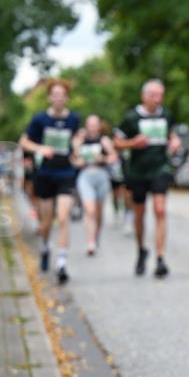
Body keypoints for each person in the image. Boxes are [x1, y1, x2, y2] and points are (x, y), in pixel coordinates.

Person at [113, 79, 182, 277]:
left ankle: (160, 258)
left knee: (160, 210)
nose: (157, 99)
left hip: (160, 168)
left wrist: (175, 141)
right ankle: (141, 250)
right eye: (153, 95)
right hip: (137, 172)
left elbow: (172, 135)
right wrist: (132, 143)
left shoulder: (166, 115)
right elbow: (116, 142)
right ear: (144, 96)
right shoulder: (132, 117)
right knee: (140, 214)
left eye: (160, 95)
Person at [19, 80, 81, 285]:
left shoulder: (73, 119)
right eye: (54, 94)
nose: (58, 98)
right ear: (49, 97)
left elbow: (75, 143)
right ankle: (45, 246)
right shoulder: (40, 120)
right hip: (45, 173)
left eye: (61, 94)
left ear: (66, 98)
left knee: (63, 217)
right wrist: (40, 149)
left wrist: (77, 150)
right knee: (46, 222)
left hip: (66, 173)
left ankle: (61, 262)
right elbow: (24, 141)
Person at [72, 114, 118, 256]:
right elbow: (73, 158)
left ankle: (96, 235)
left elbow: (114, 157)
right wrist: (77, 156)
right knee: (89, 210)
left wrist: (103, 158)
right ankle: (90, 243)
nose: (91, 127)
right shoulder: (80, 140)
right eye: (89, 124)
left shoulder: (104, 141)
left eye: (94, 124)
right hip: (85, 175)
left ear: (99, 126)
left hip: (101, 175)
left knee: (98, 212)